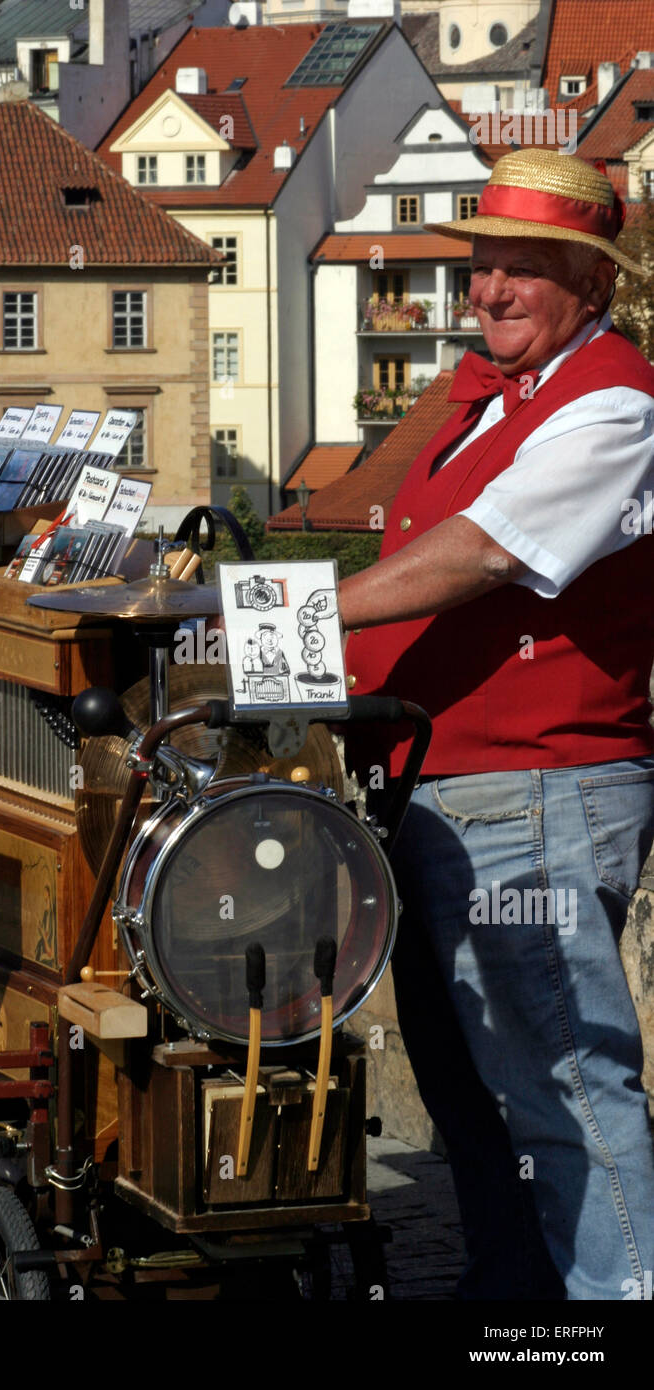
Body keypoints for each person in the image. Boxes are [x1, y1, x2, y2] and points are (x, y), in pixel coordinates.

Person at [340, 148, 654, 1301]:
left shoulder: (611, 401)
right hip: (444, 787)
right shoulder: (492, 397)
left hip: (537, 792)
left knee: (564, 1082)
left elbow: (481, 551)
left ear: (592, 283)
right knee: (470, 1083)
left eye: (523, 270)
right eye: (480, 268)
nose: (488, 293)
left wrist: (301, 614)